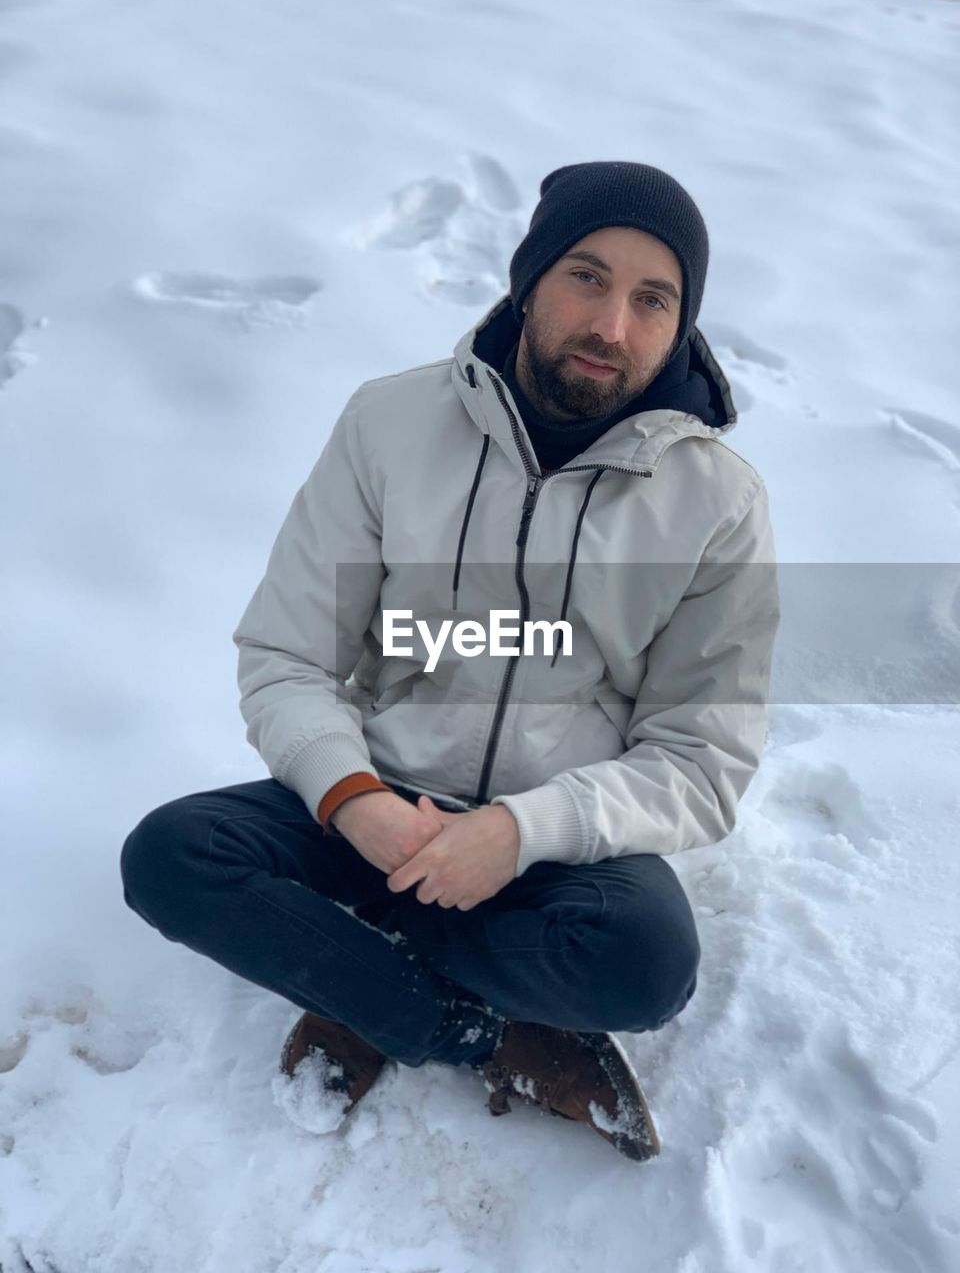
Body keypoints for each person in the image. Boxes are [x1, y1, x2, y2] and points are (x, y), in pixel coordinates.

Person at [120, 161, 780, 1162]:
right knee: (170, 856)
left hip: (552, 850)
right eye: (586, 278)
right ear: (528, 279)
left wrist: (520, 830)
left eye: (654, 299)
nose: (613, 325)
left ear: (683, 322)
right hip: (375, 805)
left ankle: (357, 973)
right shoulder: (389, 423)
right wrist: (353, 798)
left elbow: (700, 758)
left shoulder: (717, 503)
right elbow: (288, 654)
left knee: (646, 964)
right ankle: (467, 1025)